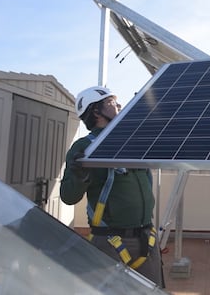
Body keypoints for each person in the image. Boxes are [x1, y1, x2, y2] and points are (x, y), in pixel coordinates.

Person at [60, 86, 164, 287]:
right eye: (111, 103)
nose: (118, 106)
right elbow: (68, 196)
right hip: (110, 242)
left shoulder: (131, 141)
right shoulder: (83, 147)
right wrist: (80, 174)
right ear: (96, 111)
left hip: (146, 238)